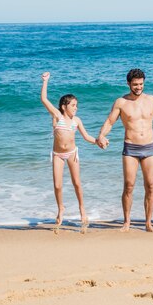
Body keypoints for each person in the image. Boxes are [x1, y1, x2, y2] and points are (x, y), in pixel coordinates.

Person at [96, 69, 153, 232]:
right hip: (131, 147)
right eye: (135, 84)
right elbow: (109, 121)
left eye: (141, 84)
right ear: (128, 84)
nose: (138, 87)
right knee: (129, 185)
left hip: (149, 147)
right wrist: (101, 135)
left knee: (150, 185)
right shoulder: (121, 102)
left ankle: (148, 222)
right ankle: (126, 222)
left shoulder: (151, 100)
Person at [40, 72, 97, 232]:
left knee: (77, 183)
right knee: (57, 185)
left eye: (77, 105)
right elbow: (44, 99)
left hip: (72, 153)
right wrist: (46, 81)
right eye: (73, 105)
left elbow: (86, 137)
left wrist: (99, 141)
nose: (76, 108)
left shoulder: (76, 121)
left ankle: (82, 209)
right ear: (64, 106)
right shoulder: (57, 116)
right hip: (58, 154)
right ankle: (61, 209)